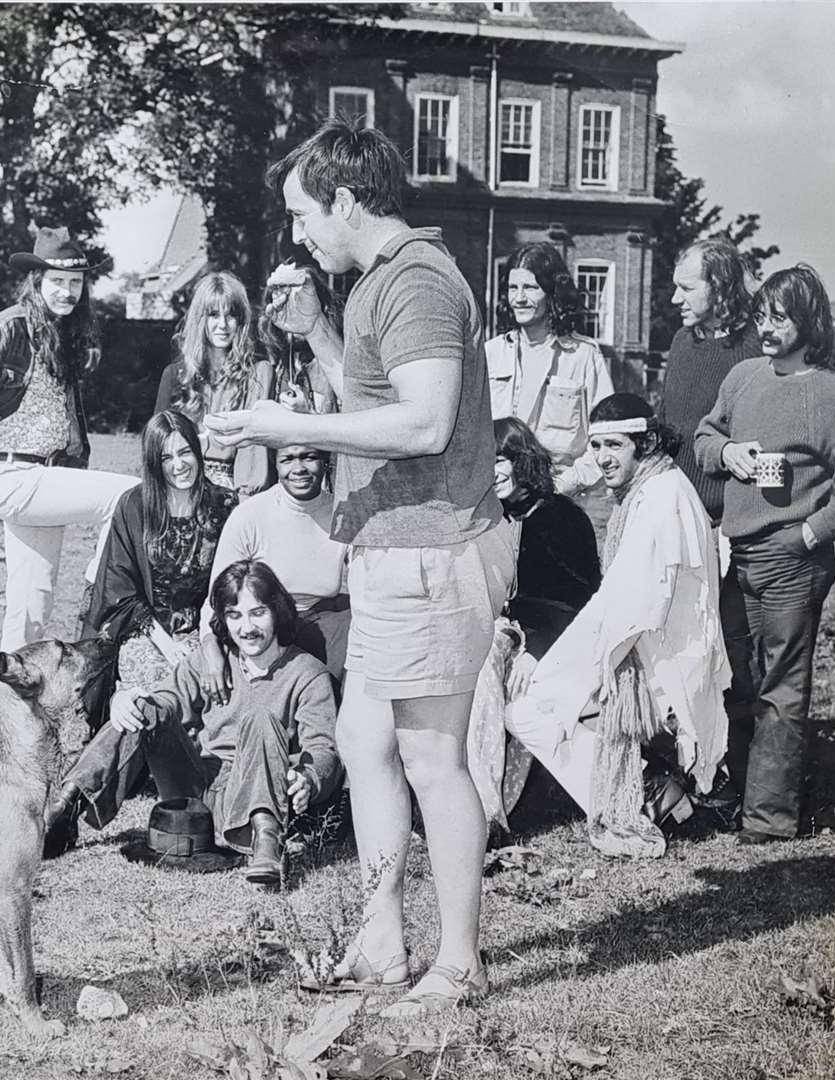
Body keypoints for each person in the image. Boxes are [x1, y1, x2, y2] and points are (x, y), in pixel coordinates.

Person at [205, 117, 517, 1017]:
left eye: (304, 213)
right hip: (393, 546)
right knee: (360, 741)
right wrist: (318, 339)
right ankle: (384, 941)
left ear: (346, 200)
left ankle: (458, 965)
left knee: (430, 757)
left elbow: (423, 423)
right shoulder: (382, 280)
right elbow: (377, 398)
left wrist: (283, 425)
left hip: (431, 550)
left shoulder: (415, 280)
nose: (298, 233)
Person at [696, 264, 835, 845]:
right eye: (762, 316)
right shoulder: (744, 377)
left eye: (779, 317)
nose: (767, 328)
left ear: (809, 321)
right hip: (737, 556)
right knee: (735, 680)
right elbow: (703, 436)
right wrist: (728, 453)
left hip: (791, 561)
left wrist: (810, 532)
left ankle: (768, 823)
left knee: (781, 689)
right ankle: (736, 799)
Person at [506, 394, 731, 858]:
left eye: (615, 446)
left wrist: (557, 667)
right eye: (596, 446)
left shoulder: (661, 498)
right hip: (649, 649)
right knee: (547, 697)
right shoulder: (654, 488)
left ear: (645, 442)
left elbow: (626, 608)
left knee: (527, 709)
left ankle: (643, 793)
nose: (603, 458)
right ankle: (653, 787)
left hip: (662, 665)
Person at [45, 559, 341, 886]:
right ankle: (64, 805)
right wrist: (125, 700)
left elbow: (323, 748)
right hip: (193, 795)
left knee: (260, 716)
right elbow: (167, 699)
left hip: (250, 793)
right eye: (235, 615)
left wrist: (309, 778)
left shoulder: (307, 673)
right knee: (143, 707)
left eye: (258, 612)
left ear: (278, 610)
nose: (247, 627)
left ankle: (266, 843)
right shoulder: (211, 661)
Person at [0, 227, 139, 652]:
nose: (66, 292)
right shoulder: (8, 328)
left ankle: (13, 702)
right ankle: (98, 593)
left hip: (46, 475)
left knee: (32, 602)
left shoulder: (61, 335)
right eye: (57, 282)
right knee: (130, 496)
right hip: (12, 474)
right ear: (37, 282)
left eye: (75, 284)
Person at [466, 417, 602, 829]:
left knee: (494, 666)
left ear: (522, 460)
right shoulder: (490, 519)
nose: (492, 472)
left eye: (501, 460)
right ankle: (480, 805)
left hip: (559, 641)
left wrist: (538, 649)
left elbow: (579, 600)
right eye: (484, 463)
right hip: (504, 633)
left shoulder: (561, 517)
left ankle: (491, 811)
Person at [81, 410, 239, 696]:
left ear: (198, 450)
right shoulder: (135, 506)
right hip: (148, 629)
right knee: (153, 678)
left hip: (209, 626)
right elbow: (121, 591)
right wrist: (167, 645)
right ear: (154, 462)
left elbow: (234, 582)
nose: (178, 465)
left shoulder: (224, 505)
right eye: (166, 458)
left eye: (185, 452)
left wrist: (208, 639)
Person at [196, 444, 350, 697]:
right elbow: (217, 595)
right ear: (275, 464)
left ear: (325, 461)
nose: (298, 468)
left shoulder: (342, 513)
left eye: (309, 457)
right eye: (287, 459)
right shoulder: (250, 515)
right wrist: (209, 644)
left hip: (321, 623)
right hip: (264, 624)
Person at [485, 243, 613, 496]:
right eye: (513, 288)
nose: (519, 298)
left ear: (553, 292)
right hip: (498, 501)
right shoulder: (491, 353)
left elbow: (606, 437)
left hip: (562, 500)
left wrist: (562, 486)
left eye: (531, 288)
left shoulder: (583, 355)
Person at [659, 237, 763, 526]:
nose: (675, 299)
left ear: (719, 287)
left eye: (687, 289)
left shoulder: (757, 348)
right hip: (677, 511)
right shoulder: (681, 341)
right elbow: (666, 422)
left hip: (733, 520)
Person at [153, 271, 276, 495]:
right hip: (181, 487)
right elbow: (155, 447)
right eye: (213, 314)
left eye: (230, 315)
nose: (223, 324)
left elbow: (257, 454)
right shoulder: (175, 375)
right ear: (200, 318)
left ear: (241, 320)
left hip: (234, 491)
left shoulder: (257, 375)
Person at [260, 264, 341, 415]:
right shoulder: (278, 363)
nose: (295, 313)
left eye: (300, 304)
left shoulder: (336, 359)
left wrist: (308, 412)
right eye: (285, 305)